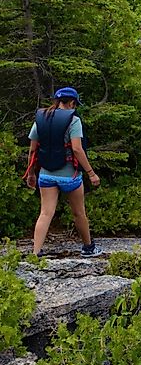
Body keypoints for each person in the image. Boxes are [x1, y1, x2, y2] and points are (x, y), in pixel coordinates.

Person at [25, 87, 103, 257]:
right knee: (79, 213)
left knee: (45, 213)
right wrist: (91, 173)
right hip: (70, 176)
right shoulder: (73, 120)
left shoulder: (41, 118)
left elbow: (32, 151)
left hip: (46, 174)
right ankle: (88, 248)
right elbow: (77, 149)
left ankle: (35, 253)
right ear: (72, 103)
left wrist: (31, 173)